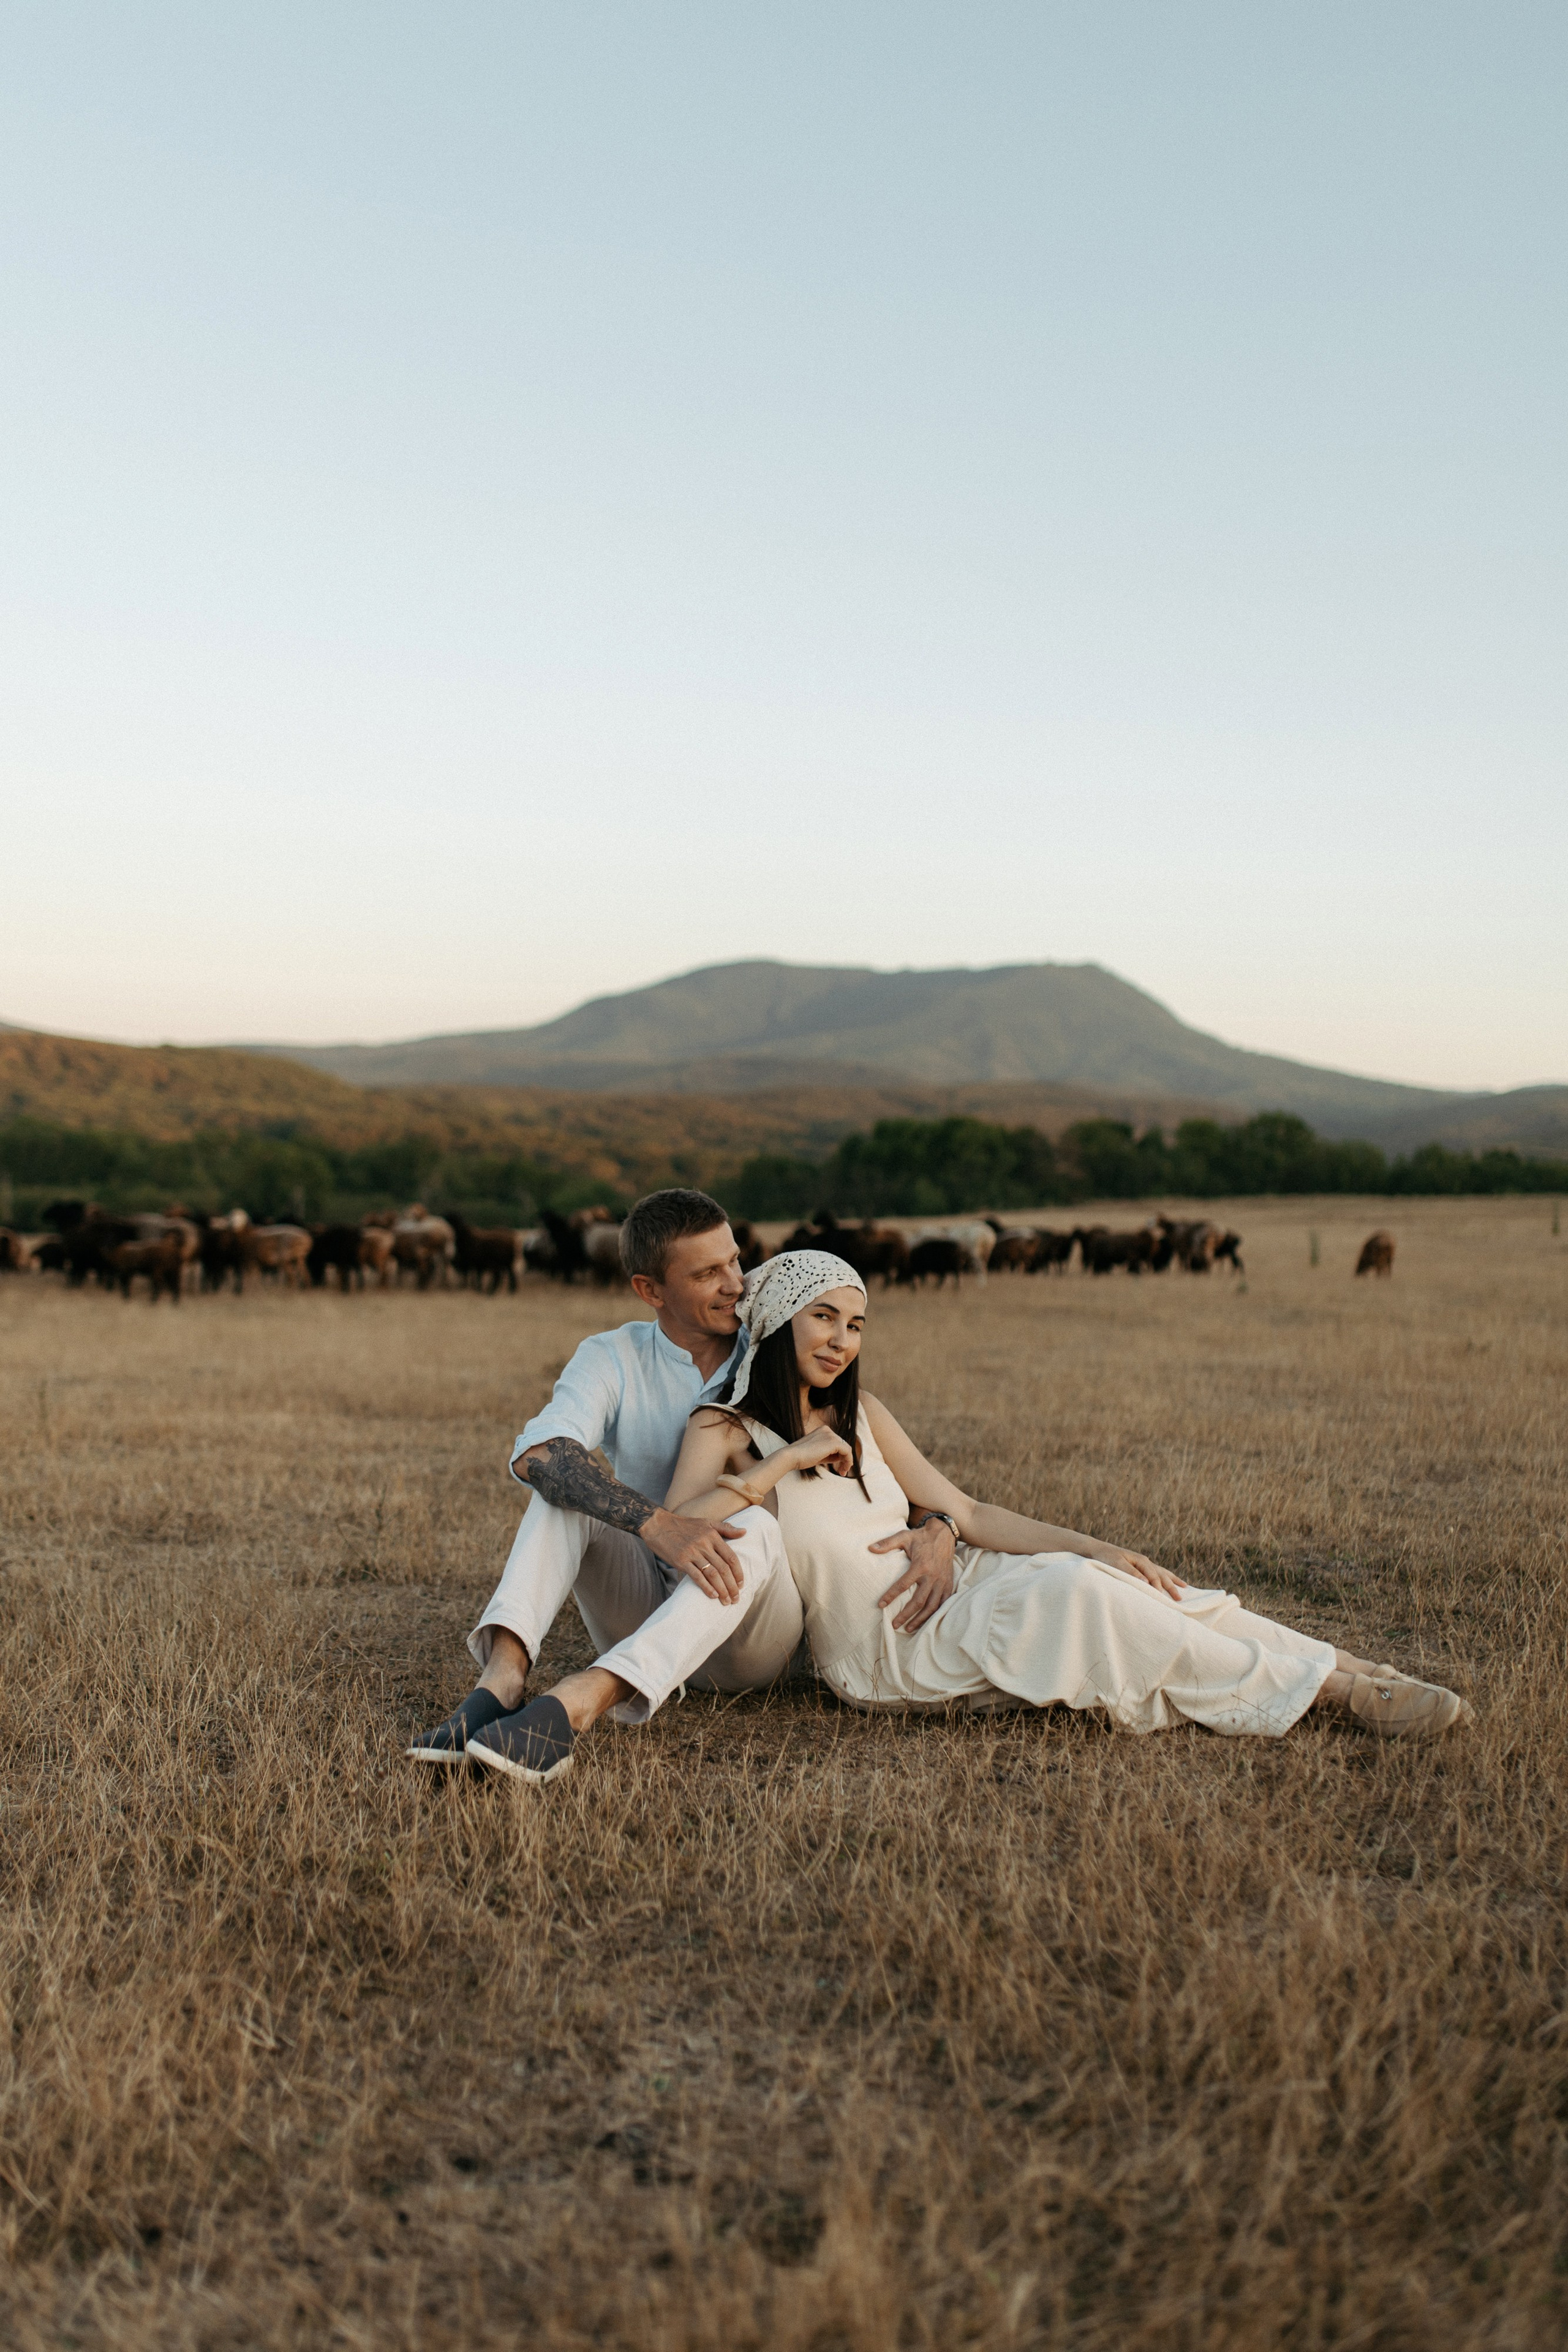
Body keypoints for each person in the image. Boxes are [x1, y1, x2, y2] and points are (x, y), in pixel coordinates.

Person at [662, 1250, 1468, 1741]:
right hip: (889, 1651)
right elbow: (670, 1528)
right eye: (824, 1318)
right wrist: (781, 1463)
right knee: (1081, 1597)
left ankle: (1352, 1666)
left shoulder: (865, 1413)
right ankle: (1330, 1697)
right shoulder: (726, 1428)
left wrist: (1099, 1543)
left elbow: (968, 1514)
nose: (843, 1340)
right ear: (772, 1321)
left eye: (858, 1325)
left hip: (957, 1589)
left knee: (1118, 1580)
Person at [406, 1194, 960, 1782]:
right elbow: (541, 1453)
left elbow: (883, 1463)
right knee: (564, 1488)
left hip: (753, 1627)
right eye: (706, 1274)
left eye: (734, 1263)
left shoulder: (777, 1345)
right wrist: (659, 1525)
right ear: (651, 1290)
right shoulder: (612, 1356)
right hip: (646, 1598)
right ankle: (502, 1683)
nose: (735, 1286)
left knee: (755, 1524)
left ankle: (583, 1700)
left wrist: (940, 1528)